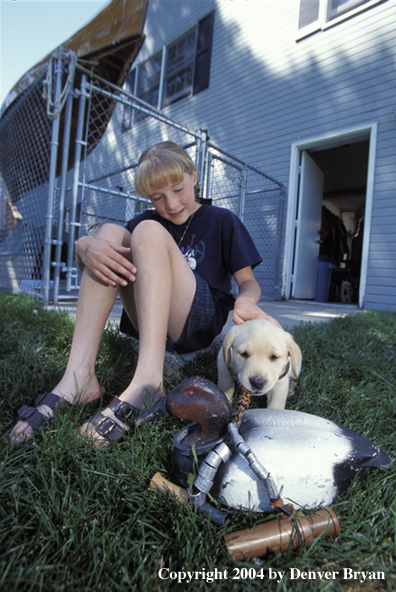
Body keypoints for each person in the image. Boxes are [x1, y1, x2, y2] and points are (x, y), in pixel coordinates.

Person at [10, 141, 280, 446]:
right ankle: (78, 376)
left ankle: (149, 381)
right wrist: (83, 244)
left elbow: (248, 283)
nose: (171, 203)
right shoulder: (146, 220)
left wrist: (245, 299)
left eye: (178, 189)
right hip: (149, 321)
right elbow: (107, 255)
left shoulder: (221, 220)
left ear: (193, 176)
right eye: (157, 197)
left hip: (198, 321)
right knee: (110, 234)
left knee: (148, 231)